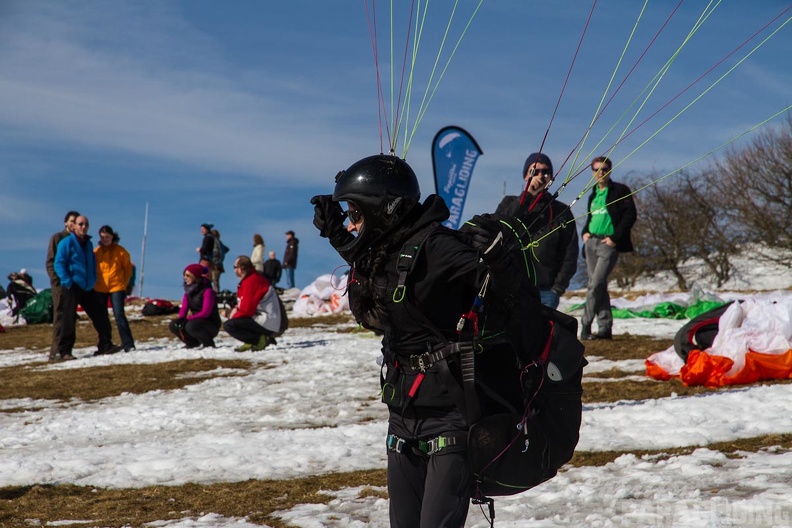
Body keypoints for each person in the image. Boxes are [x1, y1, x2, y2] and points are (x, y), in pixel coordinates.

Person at [311, 154, 538, 527]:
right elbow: (382, 286)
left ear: (384, 210)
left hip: (450, 416)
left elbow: (514, 298)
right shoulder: (384, 247)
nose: (351, 225)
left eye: (356, 214)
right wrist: (338, 236)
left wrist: (499, 260)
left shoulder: (439, 247)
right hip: (402, 413)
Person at [495, 152, 578, 309]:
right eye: (535, 171)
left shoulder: (561, 211)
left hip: (546, 290)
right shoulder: (510, 202)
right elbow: (500, 226)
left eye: (545, 172)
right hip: (512, 285)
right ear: (526, 176)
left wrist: (558, 287)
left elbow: (570, 252)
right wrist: (526, 198)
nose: (540, 176)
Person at [580, 156, 637, 340]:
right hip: (591, 243)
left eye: (604, 169)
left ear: (610, 170)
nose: (601, 172)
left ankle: (585, 326)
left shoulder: (619, 191)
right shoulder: (593, 194)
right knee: (599, 286)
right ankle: (604, 329)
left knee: (594, 285)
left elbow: (630, 215)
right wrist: (585, 233)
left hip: (608, 245)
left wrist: (614, 238)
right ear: (592, 172)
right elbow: (591, 217)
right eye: (597, 169)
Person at [53, 215, 122, 360]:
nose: (83, 227)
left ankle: (105, 345)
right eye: (80, 224)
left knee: (100, 315)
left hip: (88, 286)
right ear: (74, 226)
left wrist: (93, 279)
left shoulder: (89, 244)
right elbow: (59, 263)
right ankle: (65, 351)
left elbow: (92, 263)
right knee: (69, 318)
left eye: (86, 224)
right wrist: (67, 280)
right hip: (72, 285)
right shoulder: (66, 243)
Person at [223, 255, 281, 352]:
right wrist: (236, 309)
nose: (234, 270)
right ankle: (255, 340)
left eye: (235, 267)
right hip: (266, 319)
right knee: (236, 321)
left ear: (241, 269)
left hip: (267, 321)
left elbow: (247, 311)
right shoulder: (251, 279)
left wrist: (232, 315)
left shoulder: (251, 282)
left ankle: (258, 340)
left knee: (229, 325)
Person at [94, 225, 136, 352]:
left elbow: (128, 270)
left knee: (119, 315)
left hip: (116, 286)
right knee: (102, 317)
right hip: (100, 287)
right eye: (103, 237)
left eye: (107, 237)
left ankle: (128, 344)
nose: (105, 239)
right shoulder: (96, 252)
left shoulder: (121, 251)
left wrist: (123, 283)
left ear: (112, 237)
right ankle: (105, 344)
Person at [46, 210, 80, 361]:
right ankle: (56, 350)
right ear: (66, 222)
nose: (73, 224)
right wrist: (56, 280)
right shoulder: (58, 237)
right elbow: (51, 261)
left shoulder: (78, 240)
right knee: (60, 315)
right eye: (71, 221)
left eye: (76, 221)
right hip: (60, 284)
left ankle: (66, 349)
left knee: (70, 316)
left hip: (74, 284)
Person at [170, 263, 221, 348]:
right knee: (174, 325)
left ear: (195, 276)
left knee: (190, 325)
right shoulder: (188, 293)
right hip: (196, 322)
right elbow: (184, 310)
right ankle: (191, 342)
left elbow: (205, 313)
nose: (185, 277)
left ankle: (208, 344)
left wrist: (188, 319)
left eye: (187, 275)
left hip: (210, 324)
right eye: (184, 275)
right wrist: (181, 320)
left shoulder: (208, 291)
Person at [210, 228, 228, 292]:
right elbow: (226, 249)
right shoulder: (220, 243)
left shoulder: (214, 242)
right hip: (219, 264)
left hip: (214, 264)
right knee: (215, 281)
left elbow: (216, 252)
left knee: (213, 280)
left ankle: (214, 295)